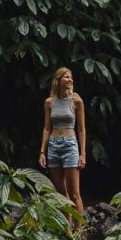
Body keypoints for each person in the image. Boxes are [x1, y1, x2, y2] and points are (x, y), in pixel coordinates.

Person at [39, 65, 85, 221]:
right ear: (58, 80)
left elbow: (81, 129)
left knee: (74, 193)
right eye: (67, 77)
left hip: (70, 145)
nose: (70, 79)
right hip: (53, 145)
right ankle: (68, 229)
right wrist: (42, 152)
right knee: (60, 194)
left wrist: (82, 154)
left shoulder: (76, 100)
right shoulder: (49, 102)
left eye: (71, 77)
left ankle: (78, 229)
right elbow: (46, 128)